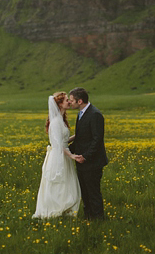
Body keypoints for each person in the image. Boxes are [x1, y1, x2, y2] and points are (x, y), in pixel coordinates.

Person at [33, 92, 82, 219]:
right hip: (58, 156)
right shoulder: (55, 122)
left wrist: (78, 135)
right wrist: (71, 156)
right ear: (60, 104)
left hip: (64, 154)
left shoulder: (61, 120)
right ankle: (55, 210)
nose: (69, 102)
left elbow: (64, 141)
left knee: (67, 183)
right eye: (67, 100)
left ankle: (66, 210)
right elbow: (57, 145)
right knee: (58, 183)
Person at [68, 87, 108, 220]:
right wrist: (66, 150)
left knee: (93, 192)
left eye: (71, 100)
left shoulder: (95, 114)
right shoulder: (81, 114)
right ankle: (88, 217)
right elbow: (81, 137)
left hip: (92, 162)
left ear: (80, 101)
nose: (69, 102)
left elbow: (97, 140)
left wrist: (85, 157)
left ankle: (98, 219)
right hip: (81, 161)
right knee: (84, 192)